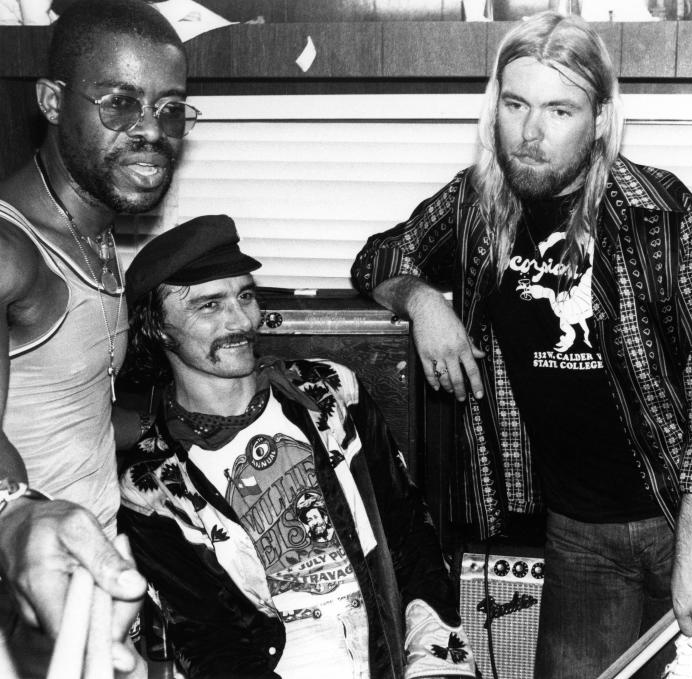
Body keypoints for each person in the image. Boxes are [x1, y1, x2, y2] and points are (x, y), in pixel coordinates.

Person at [351, 11, 692, 678]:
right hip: (575, 533)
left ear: (599, 118)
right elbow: (377, 260)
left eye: (559, 109)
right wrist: (421, 300)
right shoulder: (478, 206)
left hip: (677, 519)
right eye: (516, 104)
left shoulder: (658, 211)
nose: (531, 132)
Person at [117, 214, 476, 679]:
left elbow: (411, 539)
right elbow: (209, 639)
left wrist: (437, 665)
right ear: (157, 328)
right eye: (209, 306)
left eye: (245, 295)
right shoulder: (153, 483)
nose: (240, 320)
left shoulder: (331, 393)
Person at [0, 0, 198, 674]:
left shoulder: (94, 231)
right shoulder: (10, 248)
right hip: (25, 591)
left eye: (171, 108)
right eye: (120, 103)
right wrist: (15, 515)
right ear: (54, 101)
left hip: (96, 572)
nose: (153, 131)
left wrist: (184, 419)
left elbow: (71, 410)